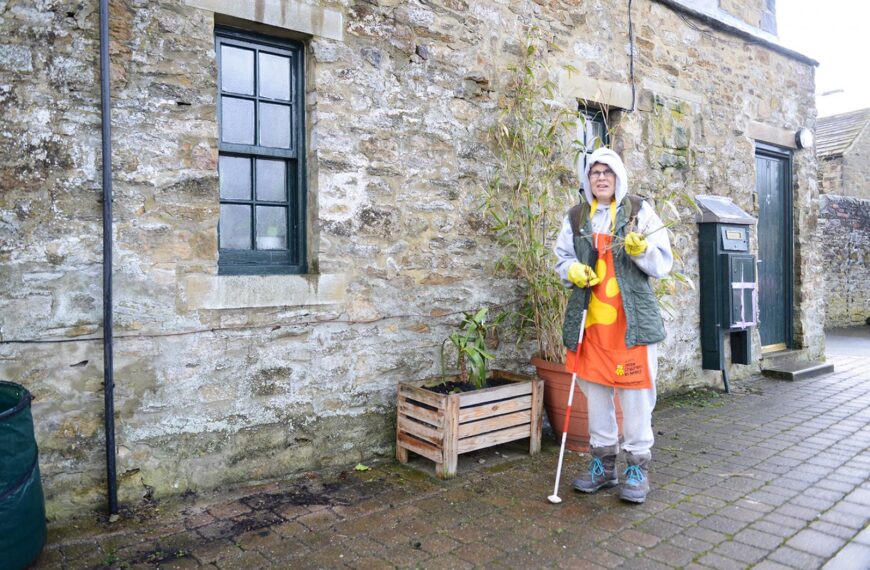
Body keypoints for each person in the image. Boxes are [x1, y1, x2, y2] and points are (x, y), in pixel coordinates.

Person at [554, 147, 673, 503]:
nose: (601, 177)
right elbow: (561, 259)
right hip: (591, 323)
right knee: (597, 391)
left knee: (636, 393)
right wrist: (570, 271)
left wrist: (641, 251)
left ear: (618, 177)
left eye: (607, 171)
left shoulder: (639, 212)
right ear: (587, 180)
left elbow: (662, 263)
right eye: (595, 172)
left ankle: (636, 466)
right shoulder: (576, 217)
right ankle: (604, 466)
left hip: (631, 322)